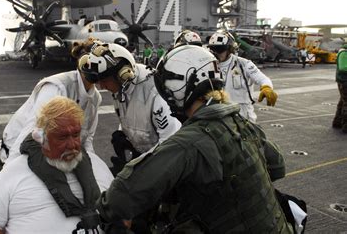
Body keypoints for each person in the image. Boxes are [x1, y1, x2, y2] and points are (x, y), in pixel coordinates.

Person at [96, 45, 292, 234]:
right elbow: (277, 166)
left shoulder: (187, 143)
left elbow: (117, 200)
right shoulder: (242, 124)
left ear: (178, 87)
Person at [0, 96, 114, 234]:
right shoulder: (12, 174)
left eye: (75, 135)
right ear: (41, 138)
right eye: (62, 137)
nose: (72, 145)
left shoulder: (97, 165)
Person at [0, 38, 102, 172]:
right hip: (18, 151)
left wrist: (94, 169)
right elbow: (31, 132)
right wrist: (8, 173)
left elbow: (86, 139)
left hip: (53, 154)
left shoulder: (95, 98)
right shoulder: (57, 87)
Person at [80, 43, 181, 175]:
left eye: (104, 80)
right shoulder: (122, 88)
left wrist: (135, 167)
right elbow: (129, 115)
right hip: (145, 157)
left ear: (123, 75)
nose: (102, 86)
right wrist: (122, 133)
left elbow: (170, 143)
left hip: (164, 167)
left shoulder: (154, 92)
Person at [207, 31, 278, 122]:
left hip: (242, 113)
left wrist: (267, 88)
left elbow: (263, 79)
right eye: (213, 49)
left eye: (220, 49)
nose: (216, 53)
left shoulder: (243, 64)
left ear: (230, 49)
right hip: (218, 113)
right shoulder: (208, 65)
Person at [333, 43, 347, 133]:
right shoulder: (344, 52)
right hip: (345, 81)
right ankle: (346, 126)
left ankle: (337, 122)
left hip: (343, 81)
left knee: (343, 101)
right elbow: (343, 67)